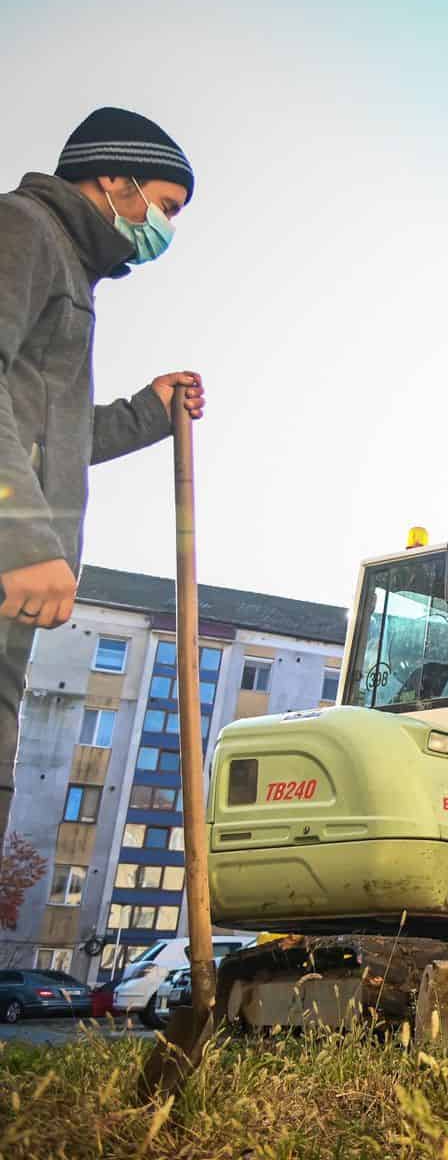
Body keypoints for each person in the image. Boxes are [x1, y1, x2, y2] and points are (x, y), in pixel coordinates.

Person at [0, 107, 205, 838]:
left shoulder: (68, 269)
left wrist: (149, 412)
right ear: (115, 178)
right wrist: (22, 539)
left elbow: (49, 436)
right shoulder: (23, 229)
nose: (165, 230)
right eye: (166, 206)